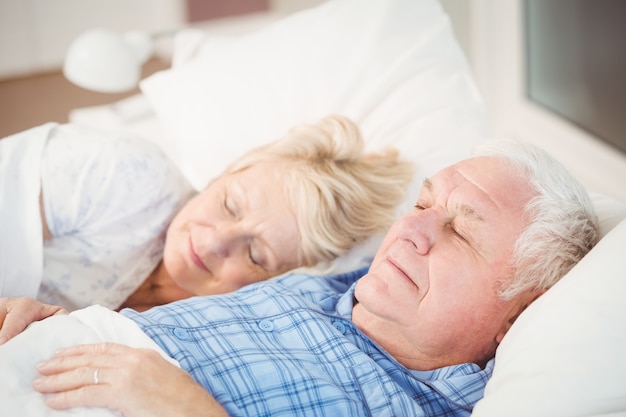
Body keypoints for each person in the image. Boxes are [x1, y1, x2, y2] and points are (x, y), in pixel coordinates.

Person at [0, 139, 599, 417]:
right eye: (421, 205)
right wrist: (65, 327)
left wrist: (183, 409)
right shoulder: (328, 289)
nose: (411, 233)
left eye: (463, 234)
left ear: (519, 316)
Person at [0, 115, 413, 311]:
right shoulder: (126, 175)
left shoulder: (213, 324)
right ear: (225, 173)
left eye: (256, 255)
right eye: (229, 203)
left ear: (277, 278)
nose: (215, 241)